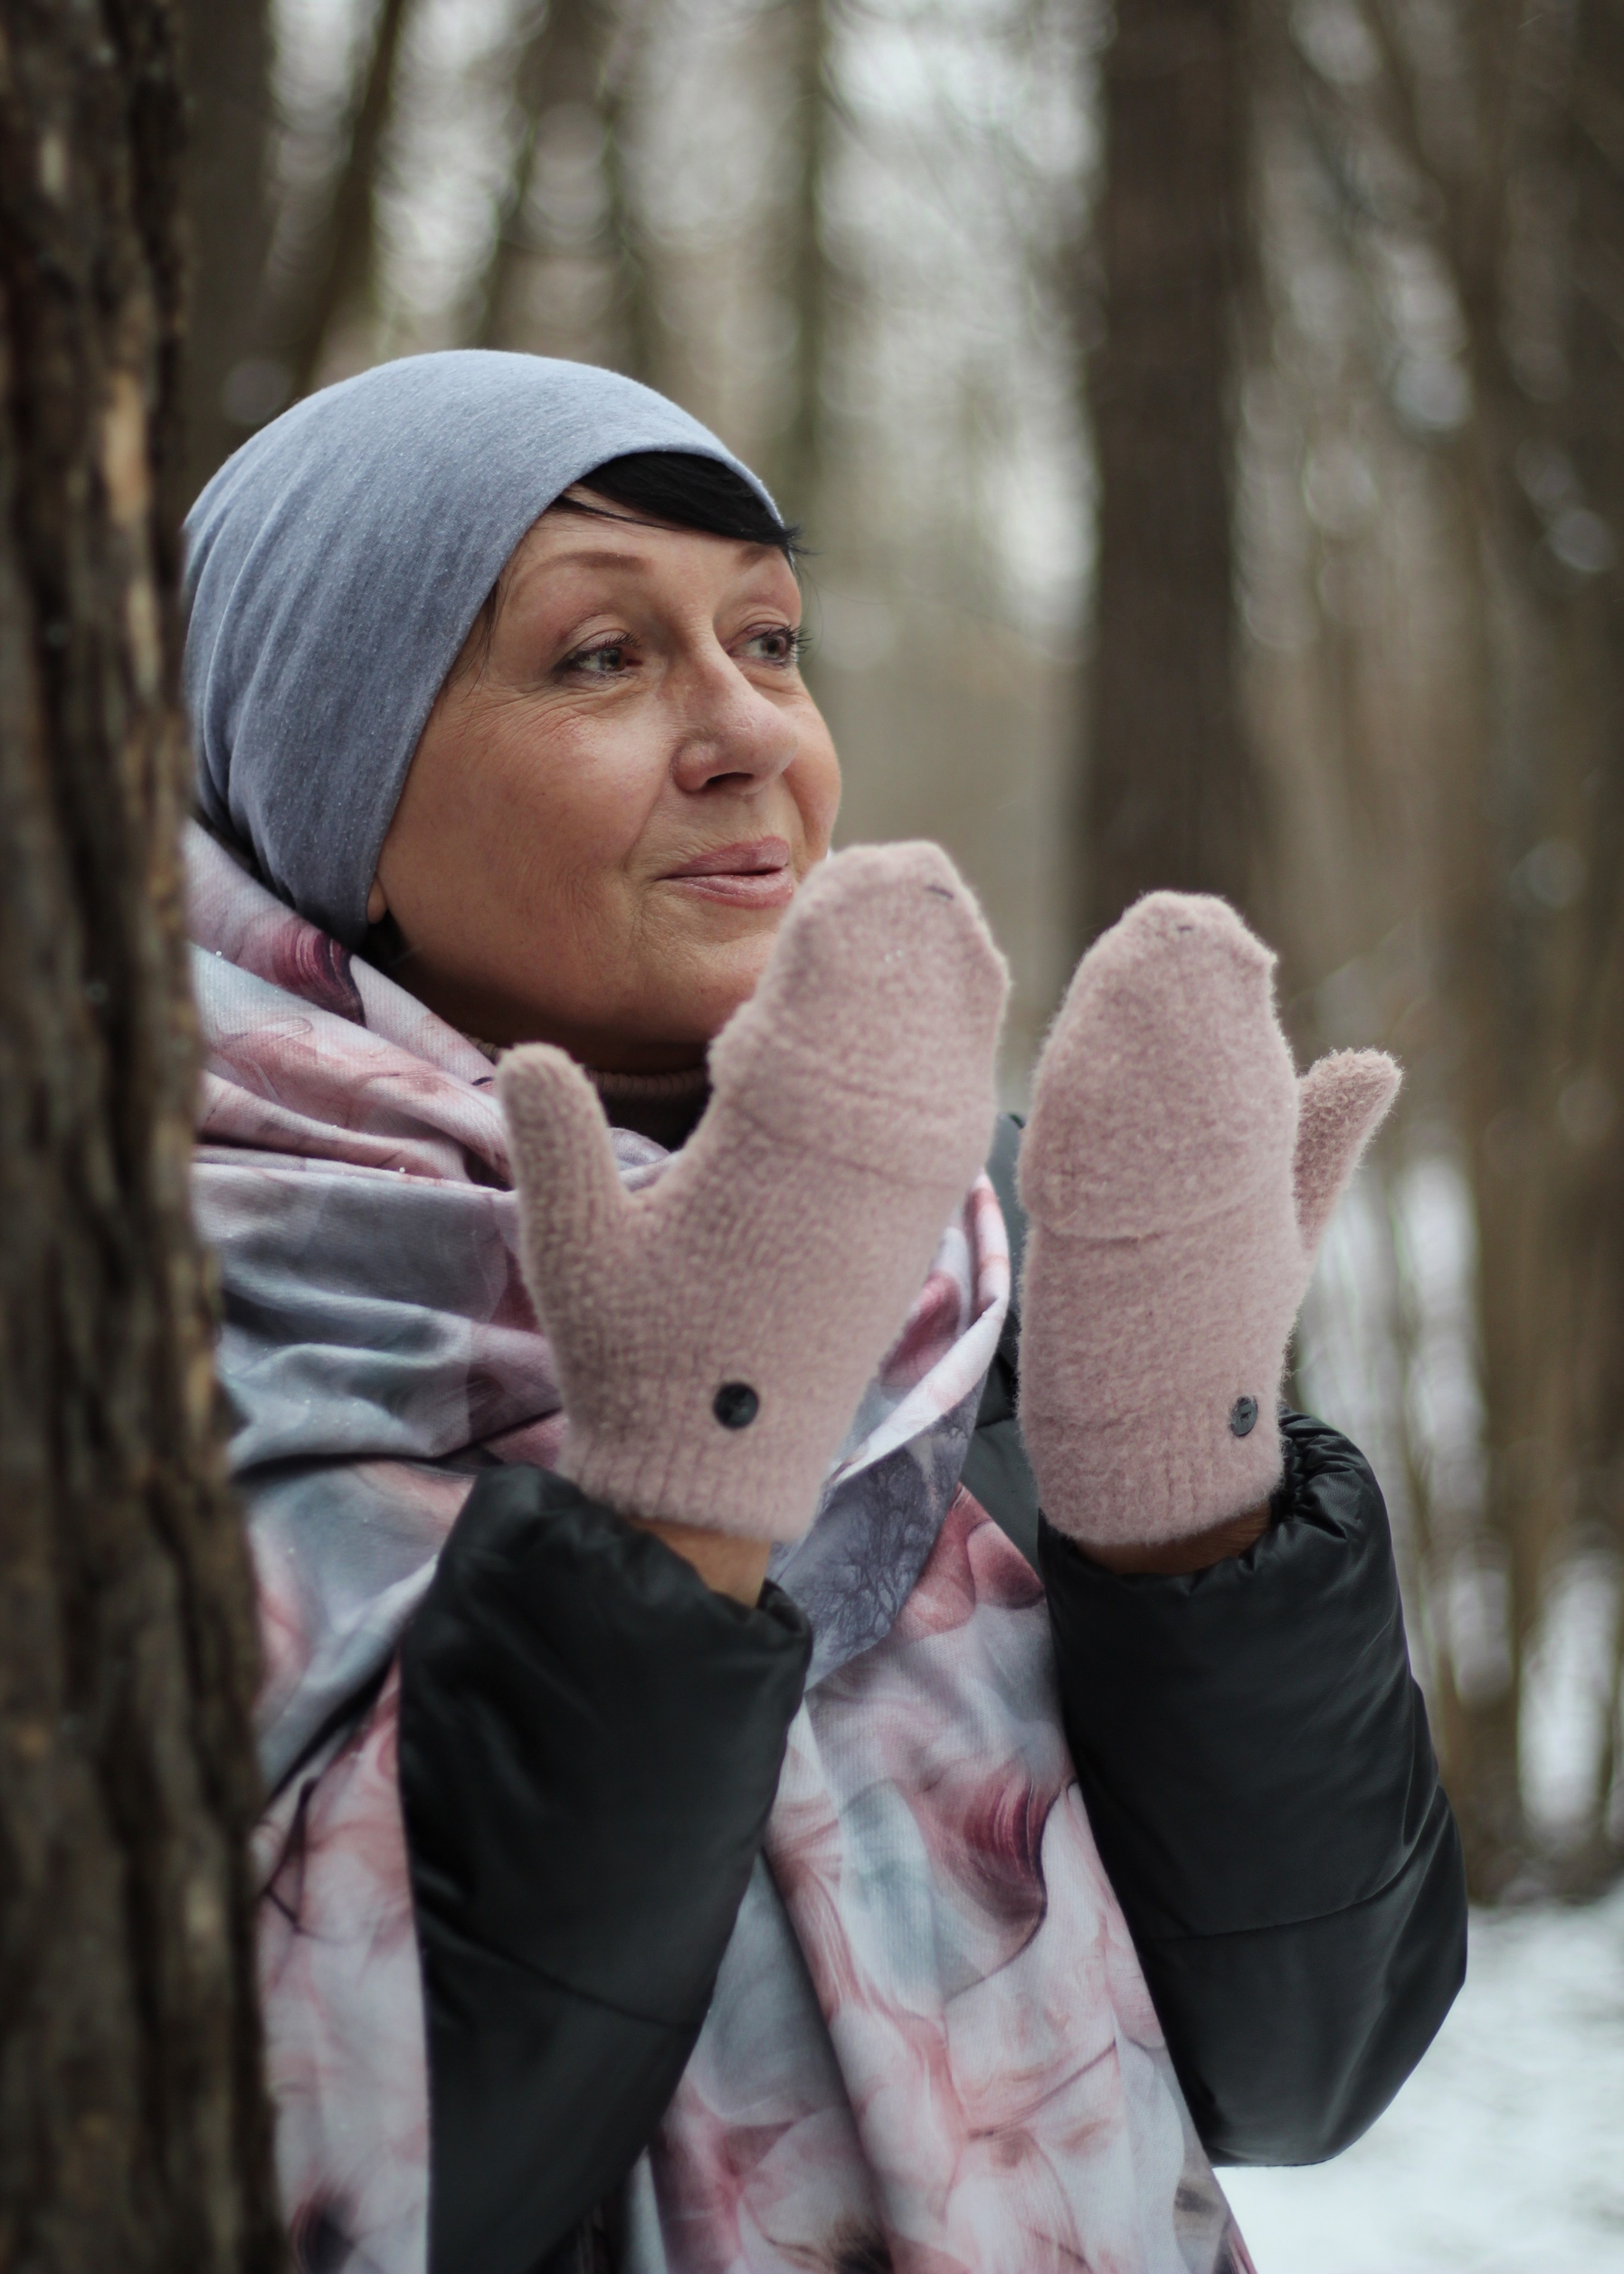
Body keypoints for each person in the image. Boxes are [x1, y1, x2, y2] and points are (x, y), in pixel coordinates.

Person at [183, 350, 1466, 2274]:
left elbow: (1308, 2066)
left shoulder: (976, 1273)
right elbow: (353, 2186)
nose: (746, 735)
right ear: (317, 769)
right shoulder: (143, 1324)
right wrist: (683, 1497)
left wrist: (1186, 1502)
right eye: (600, 658)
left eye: (770, 640)